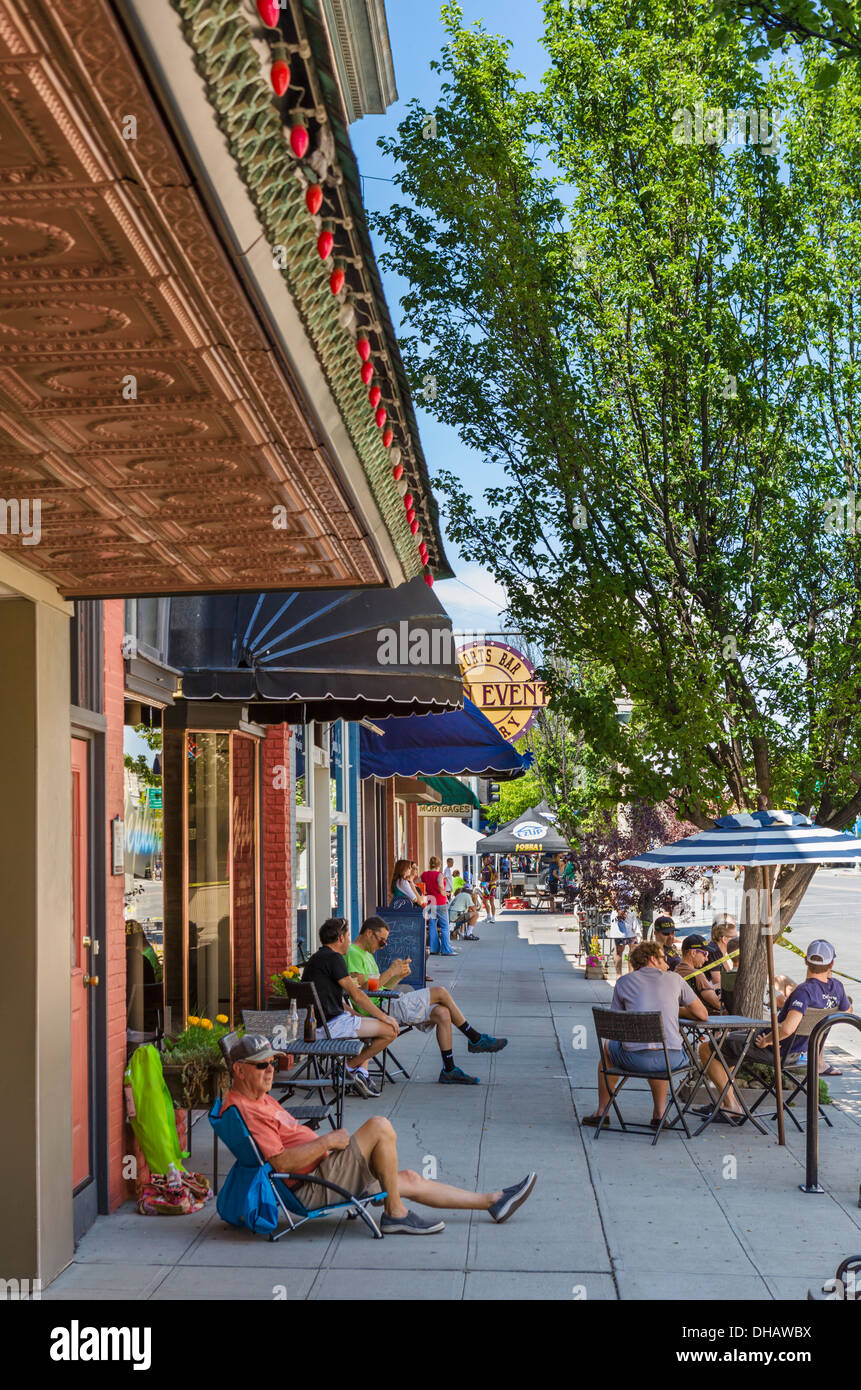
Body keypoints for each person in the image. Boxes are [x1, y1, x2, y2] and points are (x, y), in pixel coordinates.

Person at [220, 1032, 536, 1234]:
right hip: (312, 1185)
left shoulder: (252, 1097)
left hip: (325, 1169)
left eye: (273, 1062)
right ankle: (395, 1213)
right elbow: (281, 1164)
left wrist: (325, 1145)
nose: (271, 1069)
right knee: (379, 1126)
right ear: (239, 1070)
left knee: (409, 1177)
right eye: (261, 1065)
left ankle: (493, 1201)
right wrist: (327, 1141)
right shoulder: (246, 1110)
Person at [694, 938, 855, 1122]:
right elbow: (846, 1012)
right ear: (832, 963)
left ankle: (731, 1106)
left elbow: (787, 1028)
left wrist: (768, 1040)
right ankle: (725, 1101)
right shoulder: (837, 988)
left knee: (707, 1048)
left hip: (776, 1049)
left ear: (805, 961)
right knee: (727, 1046)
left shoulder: (804, 991)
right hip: (800, 1052)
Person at [345, 916, 507, 1084]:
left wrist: (397, 976)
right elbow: (363, 991)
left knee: (442, 1013)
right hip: (378, 1010)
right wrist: (391, 972)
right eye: (381, 941)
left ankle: (449, 1070)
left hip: (386, 1002)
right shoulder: (354, 954)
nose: (382, 946)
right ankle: (474, 1038)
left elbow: (381, 988)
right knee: (440, 992)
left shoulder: (367, 955)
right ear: (369, 933)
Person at [582, 940, 707, 1129]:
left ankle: (602, 1112)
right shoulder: (674, 979)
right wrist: (672, 1010)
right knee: (660, 1049)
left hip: (635, 1059)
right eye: (663, 959)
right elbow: (702, 1014)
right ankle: (659, 1114)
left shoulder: (623, 982)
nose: (667, 964)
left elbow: (617, 1023)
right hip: (671, 1059)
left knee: (608, 1048)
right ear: (652, 959)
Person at [301, 918, 399, 1098]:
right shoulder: (334, 958)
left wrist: (354, 1013)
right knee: (390, 1030)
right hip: (330, 1027)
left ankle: (361, 1074)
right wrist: (384, 1017)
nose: (349, 941)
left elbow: (330, 998)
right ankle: (349, 1067)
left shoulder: (317, 958)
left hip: (319, 1024)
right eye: (347, 936)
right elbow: (357, 995)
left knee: (369, 1026)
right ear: (339, 938)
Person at [675, 934, 722, 1013]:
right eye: (705, 954)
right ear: (693, 953)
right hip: (702, 1021)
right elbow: (717, 1004)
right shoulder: (697, 975)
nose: (706, 959)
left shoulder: (675, 972)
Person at [421, 856, 457, 956]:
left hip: (430, 903)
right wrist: (445, 893)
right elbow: (441, 887)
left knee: (432, 925)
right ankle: (446, 950)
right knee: (445, 926)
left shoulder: (424, 874)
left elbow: (418, 884)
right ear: (439, 865)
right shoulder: (439, 874)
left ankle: (433, 949)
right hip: (440, 903)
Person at [612, 906, 640, 976]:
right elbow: (611, 895)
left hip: (631, 915)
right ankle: (619, 976)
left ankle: (631, 975)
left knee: (634, 949)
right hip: (619, 918)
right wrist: (618, 909)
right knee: (619, 950)